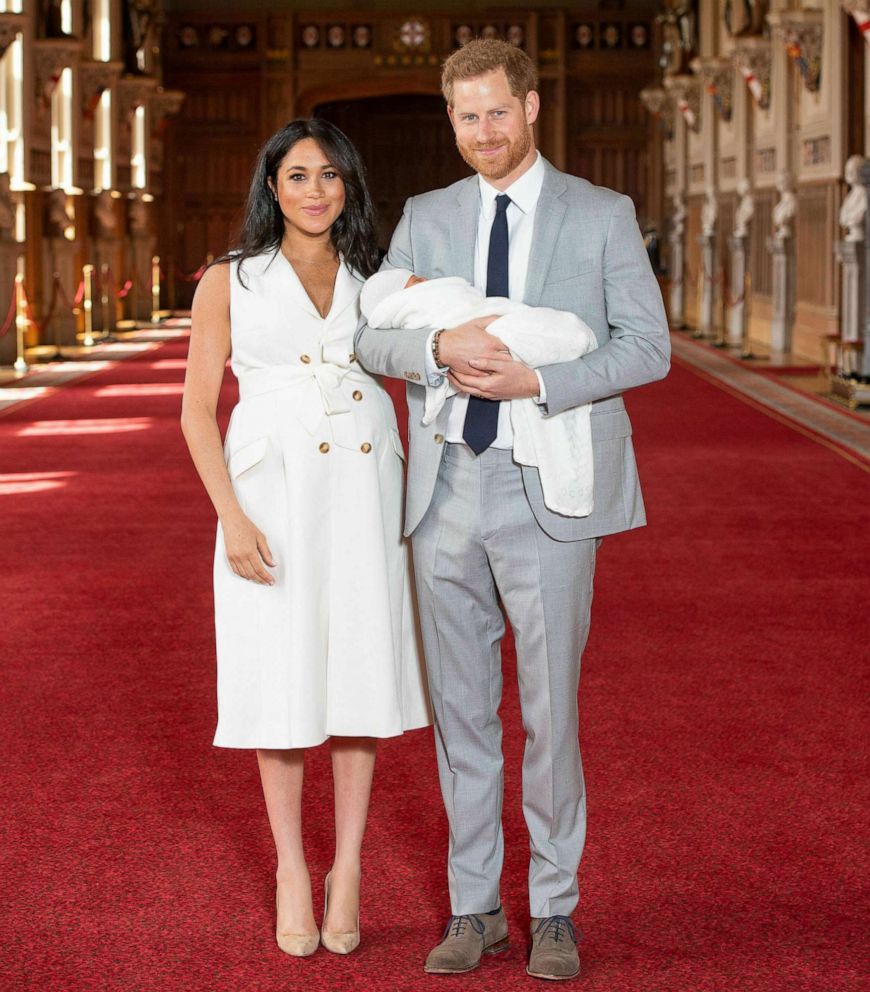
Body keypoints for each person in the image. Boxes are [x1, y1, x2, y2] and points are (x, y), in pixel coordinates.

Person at [355, 39, 670, 981]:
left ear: (530, 107)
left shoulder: (601, 213)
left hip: (549, 488)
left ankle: (557, 908)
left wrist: (540, 376)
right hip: (447, 487)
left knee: (549, 712)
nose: (482, 132)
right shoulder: (427, 215)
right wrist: (436, 345)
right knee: (461, 717)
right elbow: (373, 335)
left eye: (497, 112)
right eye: (465, 117)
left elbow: (647, 348)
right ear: (450, 121)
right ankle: (475, 906)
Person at [180, 119, 431, 960]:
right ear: (272, 187)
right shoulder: (230, 279)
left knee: (359, 673)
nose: (315, 190)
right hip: (272, 495)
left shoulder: (380, 279)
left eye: (330, 175)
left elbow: (432, 346)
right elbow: (195, 409)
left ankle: (348, 868)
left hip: (364, 489)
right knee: (280, 681)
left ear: (350, 187)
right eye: (297, 175)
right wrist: (231, 517)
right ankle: (292, 864)